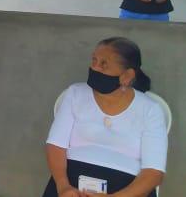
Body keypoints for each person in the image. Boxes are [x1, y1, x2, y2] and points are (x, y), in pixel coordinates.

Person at [44, 37, 166, 197]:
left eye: (104, 64)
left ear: (127, 76)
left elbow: (154, 172)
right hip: (70, 183)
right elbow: (55, 146)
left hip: (129, 190)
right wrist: (63, 186)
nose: (95, 67)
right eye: (94, 60)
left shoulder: (150, 110)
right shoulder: (75, 94)